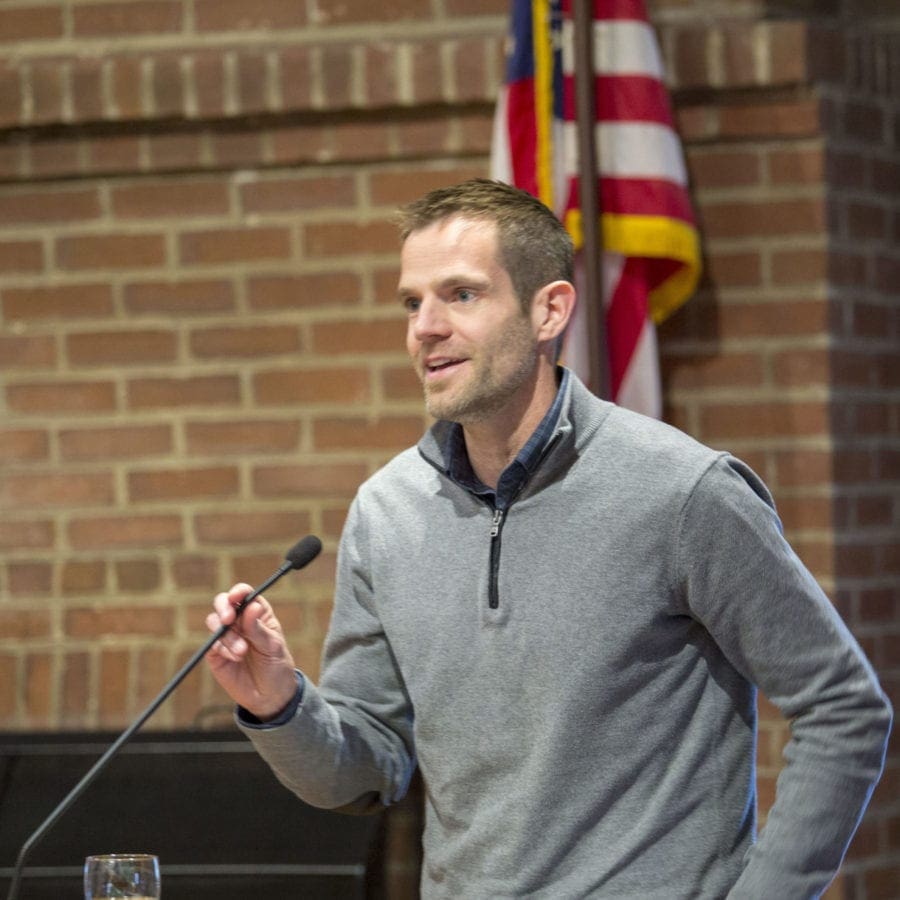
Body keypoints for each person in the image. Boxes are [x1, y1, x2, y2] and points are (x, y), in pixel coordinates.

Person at [207, 179, 892, 898]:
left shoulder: (683, 493)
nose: (426, 327)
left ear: (549, 310)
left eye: (461, 295)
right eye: (413, 302)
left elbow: (844, 707)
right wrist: (279, 704)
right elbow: (368, 769)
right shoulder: (387, 512)